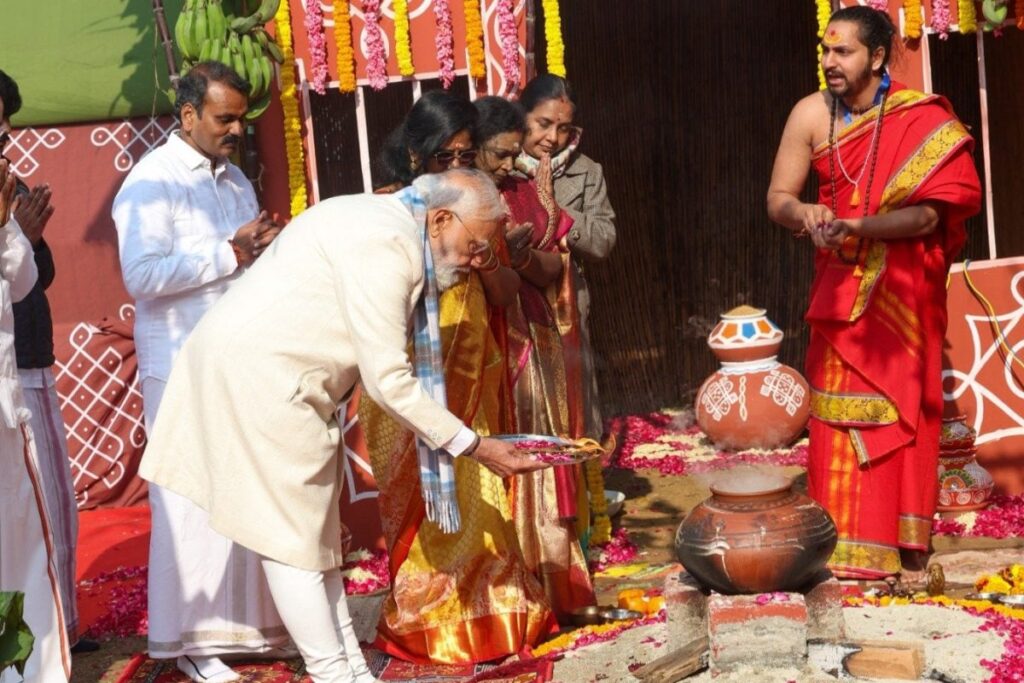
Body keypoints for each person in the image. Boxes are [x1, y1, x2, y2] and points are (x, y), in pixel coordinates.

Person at [137, 168, 547, 683]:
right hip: (259, 380)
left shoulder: (388, 222)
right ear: (442, 218)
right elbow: (388, 381)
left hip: (278, 379)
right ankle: (333, 674)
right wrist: (477, 446)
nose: (475, 260)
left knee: (315, 541)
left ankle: (351, 671)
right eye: (476, 245)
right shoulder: (389, 246)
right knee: (294, 545)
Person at [766, 6, 982, 580]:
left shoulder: (921, 120)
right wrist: (805, 211)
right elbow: (777, 198)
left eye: (844, 52)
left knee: (903, 408)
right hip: (840, 287)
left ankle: (903, 544)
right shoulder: (811, 113)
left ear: (879, 57)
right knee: (836, 411)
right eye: (826, 50)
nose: (830, 62)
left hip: (903, 293)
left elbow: (927, 218)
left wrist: (856, 227)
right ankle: (842, 549)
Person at [111, 62, 284, 683]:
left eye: (241, 117)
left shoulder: (234, 177)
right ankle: (185, 640)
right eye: (224, 118)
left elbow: (243, 262)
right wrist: (230, 252)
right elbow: (143, 275)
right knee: (187, 504)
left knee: (238, 495)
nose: (237, 129)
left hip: (237, 358)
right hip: (181, 364)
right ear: (188, 117)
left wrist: (261, 251)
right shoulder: (149, 183)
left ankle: (239, 629)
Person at [363, 98, 551, 664]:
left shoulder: (474, 207)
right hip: (404, 377)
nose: (455, 165)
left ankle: (494, 609)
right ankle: (428, 616)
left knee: (480, 492)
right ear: (415, 152)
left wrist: (490, 262)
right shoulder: (386, 210)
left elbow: (505, 296)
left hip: (472, 369)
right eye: (444, 155)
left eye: (465, 154)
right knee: (419, 497)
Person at [479, 96, 596, 621]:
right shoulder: (462, 195)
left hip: (531, 338)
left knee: (536, 457)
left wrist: (520, 255)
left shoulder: (529, 191)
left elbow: (554, 271)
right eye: (500, 154)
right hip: (480, 346)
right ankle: (503, 594)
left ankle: (552, 585)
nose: (510, 163)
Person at [0, 69, 93, 655]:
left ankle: (60, 624)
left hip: (29, 361)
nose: (7, 127)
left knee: (54, 504)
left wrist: (26, 238)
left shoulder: (11, 185)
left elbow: (34, 279)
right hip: (13, 378)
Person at [0, 158, 70, 683]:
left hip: (11, 399)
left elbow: (23, 282)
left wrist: (14, 232)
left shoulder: (7, 185)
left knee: (20, 541)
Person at [516, 75, 616, 440]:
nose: (552, 139)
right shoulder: (498, 165)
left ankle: (583, 485)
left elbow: (604, 240)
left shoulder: (586, 172)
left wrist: (555, 213)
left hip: (566, 304)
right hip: (509, 302)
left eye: (564, 128)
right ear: (521, 116)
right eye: (543, 124)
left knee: (576, 403)